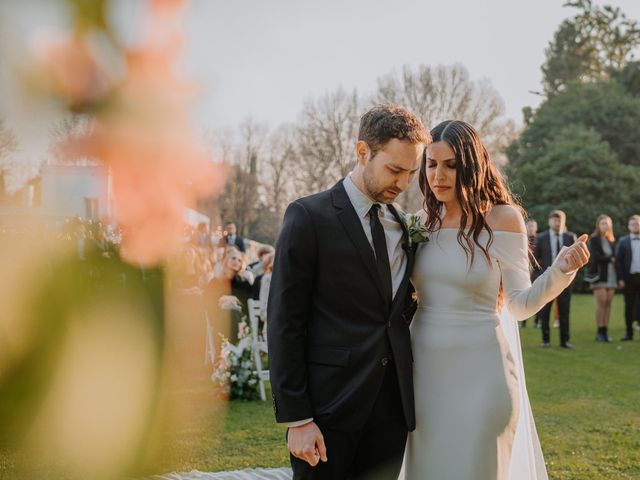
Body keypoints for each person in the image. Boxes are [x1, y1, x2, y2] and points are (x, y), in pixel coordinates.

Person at [401, 120, 589, 480]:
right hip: (423, 378)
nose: (439, 175)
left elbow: (520, 304)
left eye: (451, 165)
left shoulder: (502, 219)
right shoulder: (418, 223)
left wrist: (560, 271)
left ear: (472, 165)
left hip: (484, 376)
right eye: (431, 163)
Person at [268, 104, 429, 479]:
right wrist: (298, 418)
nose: (403, 183)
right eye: (394, 169)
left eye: (411, 173)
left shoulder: (403, 228)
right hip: (327, 411)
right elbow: (284, 322)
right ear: (363, 152)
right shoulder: (308, 217)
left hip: (391, 411)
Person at [534, 210, 578, 348]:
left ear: (564, 222)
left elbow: (576, 259)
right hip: (547, 279)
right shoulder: (541, 237)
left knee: (565, 310)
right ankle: (545, 340)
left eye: (560, 220)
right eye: (554, 220)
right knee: (545, 310)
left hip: (564, 280)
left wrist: (572, 276)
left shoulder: (570, 237)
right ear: (549, 221)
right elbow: (534, 260)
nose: (557, 222)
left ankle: (565, 341)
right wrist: (538, 277)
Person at [587, 215, 617, 342]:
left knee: (608, 303)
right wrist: (611, 259)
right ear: (598, 225)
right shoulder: (593, 239)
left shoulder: (611, 240)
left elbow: (616, 257)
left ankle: (605, 330)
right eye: (603, 223)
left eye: (607, 223)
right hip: (599, 275)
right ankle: (599, 331)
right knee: (602, 302)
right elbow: (596, 257)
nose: (605, 225)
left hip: (612, 275)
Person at [615, 214, 640, 341]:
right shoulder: (623, 241)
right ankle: (629, 333)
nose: (636, 226)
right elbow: (618, 261)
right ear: (629, 226)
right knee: (628, 306)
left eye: (638, 223)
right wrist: (620, 278)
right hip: (628, 278)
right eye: (633, 224)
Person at [520, 219, 539, 328]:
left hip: (535, 272)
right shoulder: (522, 238)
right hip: (524, 271)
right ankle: (523, 321)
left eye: (533, 226)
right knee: (524, 295)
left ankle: (537, 321)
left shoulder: (539, 239)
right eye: (530, 226)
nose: (531, 228)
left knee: (536, 296)